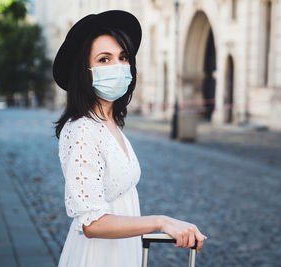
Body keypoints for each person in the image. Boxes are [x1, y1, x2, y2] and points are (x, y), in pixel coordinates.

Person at [52, 10, 207, 267]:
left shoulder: (110, 122)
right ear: (85, 71)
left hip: (123, 251)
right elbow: (92, 223)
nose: (117, 66)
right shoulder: (82, 130)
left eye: (123, 57)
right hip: (98, 258)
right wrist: (160, 222)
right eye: (104, 59)